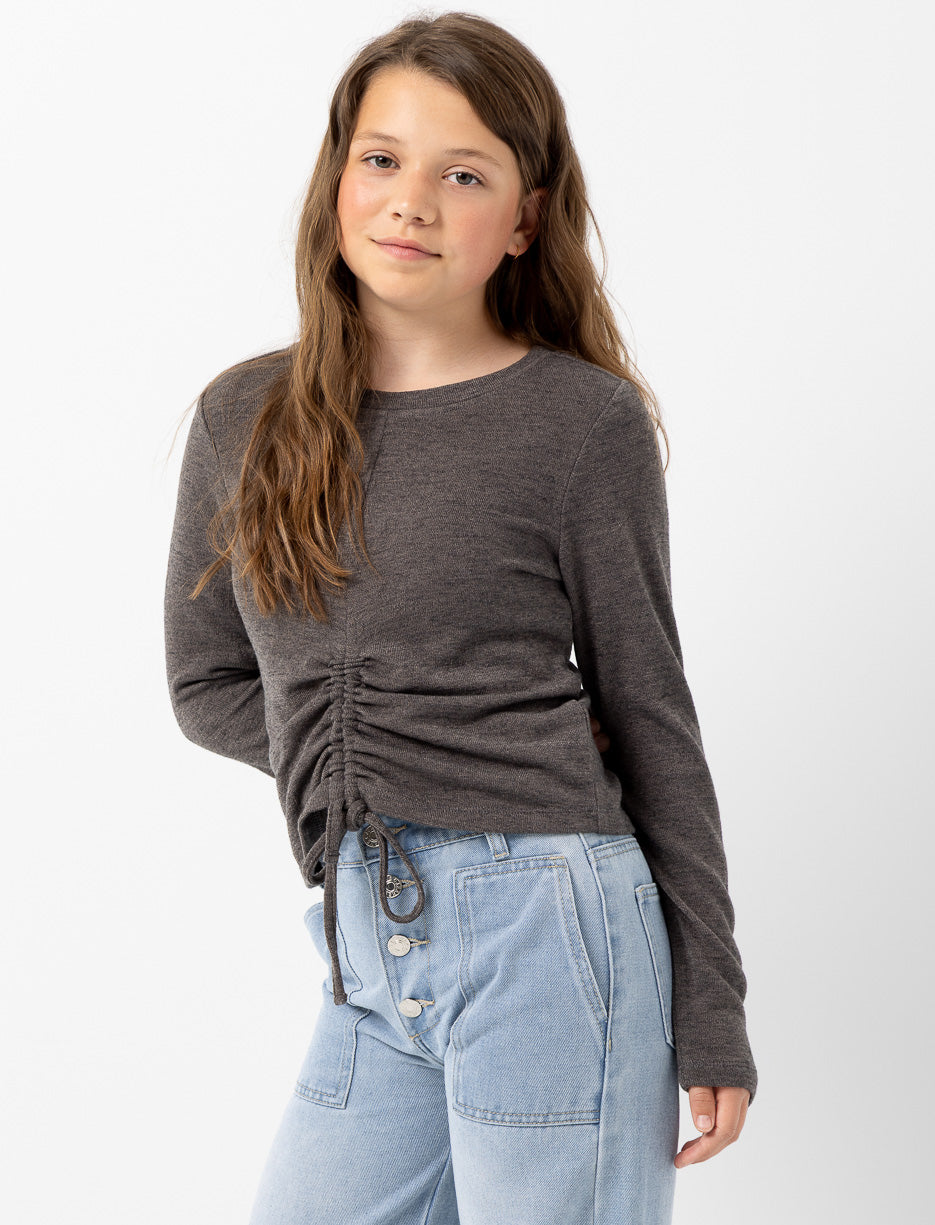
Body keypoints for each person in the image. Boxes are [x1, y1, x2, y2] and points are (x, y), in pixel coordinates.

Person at [163, 11, 757, 1224]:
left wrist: (712, 1006)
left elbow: (650, 713)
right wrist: (374, 751)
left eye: (463, 175)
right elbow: (206, 684)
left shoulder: (577, 424)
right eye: (381, 159)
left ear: (524, 220)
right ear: (337, 179)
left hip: (550, 924)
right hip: (365, 933)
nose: (410, 202)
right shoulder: (242, 419)